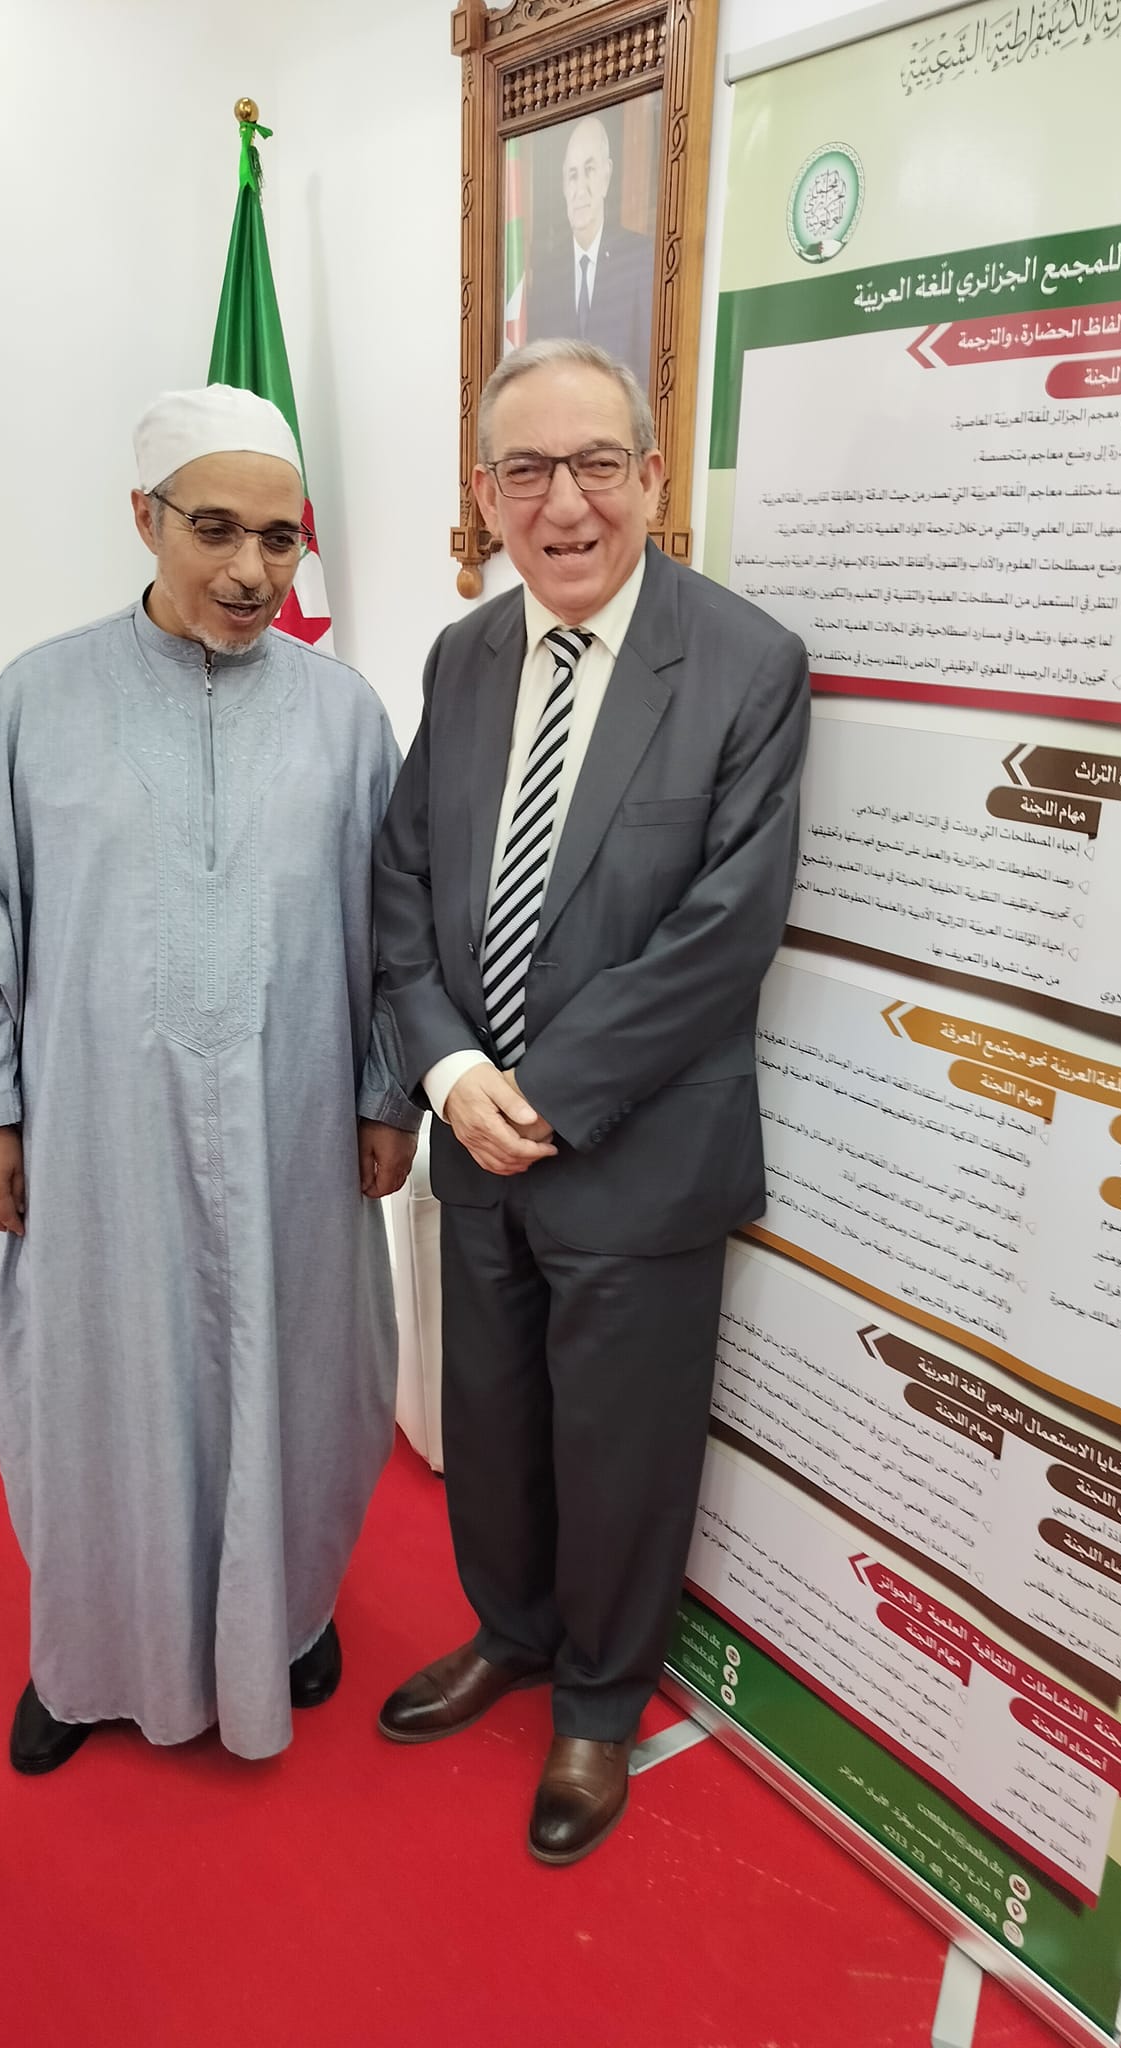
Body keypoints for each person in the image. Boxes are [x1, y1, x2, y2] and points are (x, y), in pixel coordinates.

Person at [0, 384, 419, 1773]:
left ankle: (287, 1615)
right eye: (215, 530)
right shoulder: (37, 699)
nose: (251, 569)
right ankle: (88, 1660)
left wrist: (385, 1096)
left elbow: (397, 936)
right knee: (93, 1390)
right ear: (144, 518)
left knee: (300, 1374)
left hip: (295, 1132)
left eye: (280, 538)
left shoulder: (347, 717)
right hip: (97, 1137)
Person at [373, 338, 810, 1864]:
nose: (564, 505)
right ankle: (511, 1631)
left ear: (651, 474)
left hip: (636, 1151)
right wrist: (450, 1075)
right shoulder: (463, 658)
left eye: (597, 465)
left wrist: (546, 1094)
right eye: (527, 471)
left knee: (624, 1451)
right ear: (486, 491)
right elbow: (405, 882)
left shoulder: (745, 663)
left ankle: (600, 1703)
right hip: (473, 1140)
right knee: (490, 1422)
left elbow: (727, 930)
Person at [522, 115, 653, 395]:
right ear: (563, 186)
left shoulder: (639, 260)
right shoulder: (546, 273)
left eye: (589, 170)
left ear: (606, 175)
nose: (580, 189)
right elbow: (534, 374)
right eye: (572, 174)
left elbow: (647, 377)